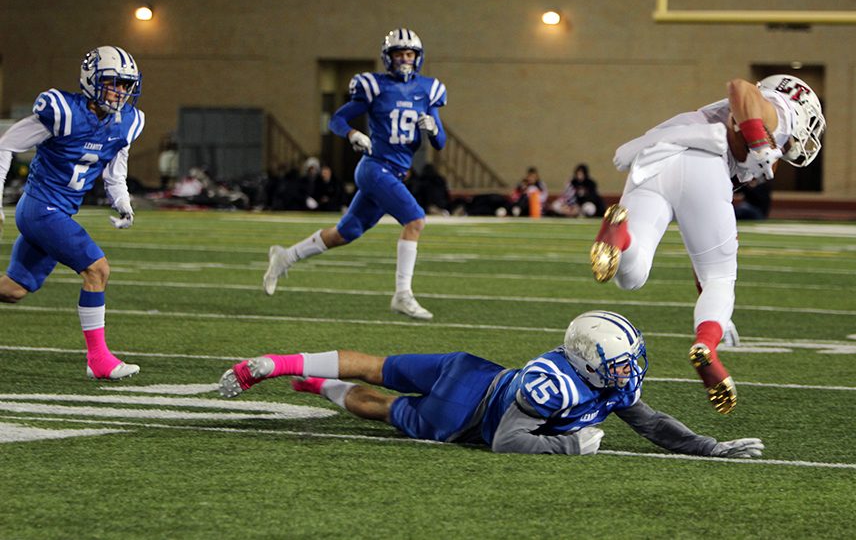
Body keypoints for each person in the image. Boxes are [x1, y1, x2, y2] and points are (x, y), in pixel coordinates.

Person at [218, 310, 763, 458]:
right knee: (382, 406)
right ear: (591, 361)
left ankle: (286, 365)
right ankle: (318, 388)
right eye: (621, 362)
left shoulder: (585, 372)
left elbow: (651, 423)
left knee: (377, 364)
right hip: (461, 418)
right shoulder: (557, 384)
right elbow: (507, 439)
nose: (628, 371)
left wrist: (708, 447)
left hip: (472, 370)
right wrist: (567, 444)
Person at [590, 75, 826, 414]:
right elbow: (740, 88)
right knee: (721, 278)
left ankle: (619, 234)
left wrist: (715, 314)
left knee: (631, 275)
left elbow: (701, 255)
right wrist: (760, 142)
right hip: (702, 158)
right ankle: (706, 348)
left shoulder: (731, 118)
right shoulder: (782, 112)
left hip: (656, 155)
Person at [262, 28, 447, 320]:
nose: (404, 60)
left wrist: (434, 130)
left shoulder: (429, 90)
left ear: (418, 57)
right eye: (398, 54)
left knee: (344, 233)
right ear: (388, 58)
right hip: (374, 168)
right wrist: (351, 133)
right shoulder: (375, 86)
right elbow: (337, 118)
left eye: (409, 54)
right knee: (415, 220)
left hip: (395, 173)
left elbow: (440, 142)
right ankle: (403, 295)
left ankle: (285, 256)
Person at [0, 46, 145, 380]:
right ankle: (99, 360)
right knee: (97, 270)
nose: (120, 91)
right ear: (91, 80)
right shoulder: (64, 111)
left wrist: (122, 201)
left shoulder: (127, 122)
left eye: (125, 85)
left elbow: (115, 170)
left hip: (59, 212)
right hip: (40, 209)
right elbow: (7, 143)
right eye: (113, 83)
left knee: (13, 290)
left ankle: (99, 359)